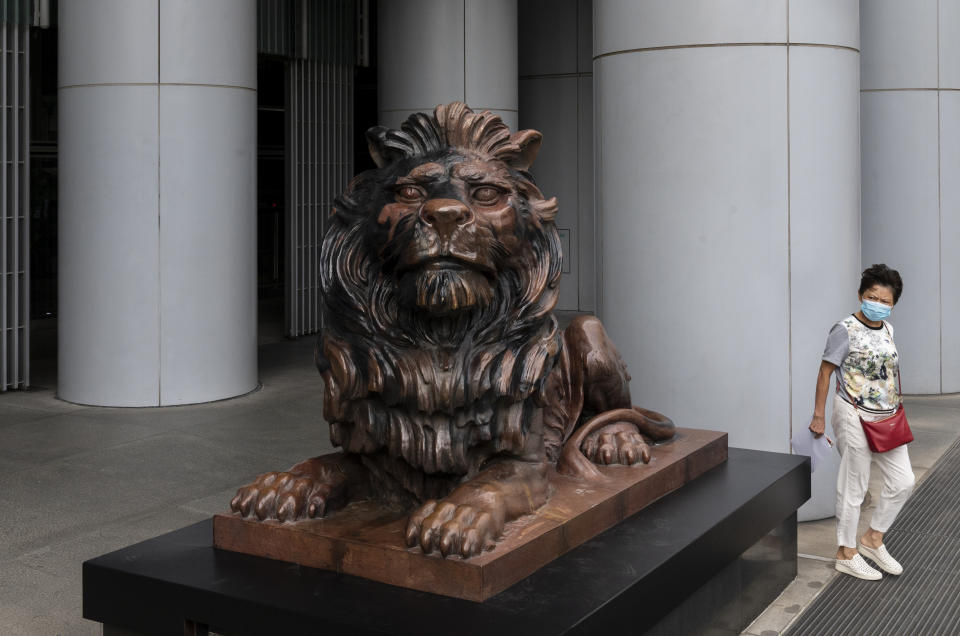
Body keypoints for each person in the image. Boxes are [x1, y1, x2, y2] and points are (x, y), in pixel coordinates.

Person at [810, 264, 915, 580]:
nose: (878, 304)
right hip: (852, 413)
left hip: (887, 417)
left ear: (893, 304)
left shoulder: (888, 329)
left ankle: (872, 539)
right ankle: (846, 552)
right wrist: (818, 416)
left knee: (904, 481)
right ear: (860, 295)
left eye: (885, 300)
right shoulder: (844, 329)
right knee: (854, 484)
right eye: (872, 297)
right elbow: (826, 372)